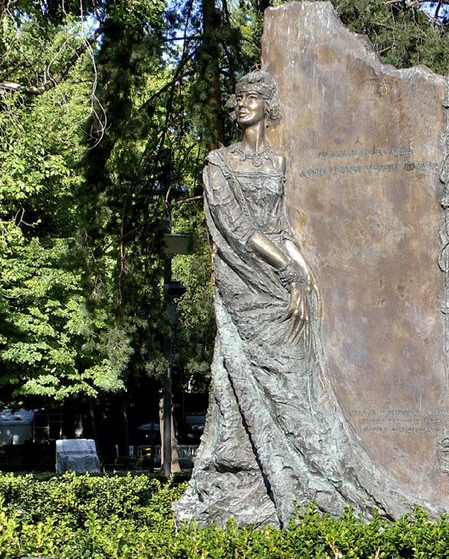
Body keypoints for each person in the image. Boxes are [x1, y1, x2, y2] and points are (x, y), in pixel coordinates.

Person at [174, 71, 424, 527]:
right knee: (257, 375)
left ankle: (299, 469)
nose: (242, 104)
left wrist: (305, 276)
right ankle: (256, 474)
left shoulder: (278, 164)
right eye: (239, 97)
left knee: (297, 371)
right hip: (246, 281)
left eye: (252, 98)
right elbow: (237, 228)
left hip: (280, 272)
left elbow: (280, 227)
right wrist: (287, 271)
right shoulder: (218, 164)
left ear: (268, 107)